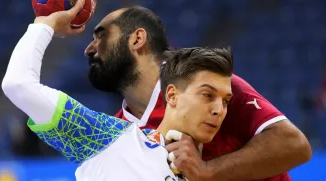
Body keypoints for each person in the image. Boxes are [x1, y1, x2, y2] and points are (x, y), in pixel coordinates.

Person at [2, 1, 234, 180]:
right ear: (172, 95)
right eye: (207, 95)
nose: (218, 110)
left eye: (226, 101)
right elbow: (18, 85)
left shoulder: (195, 173)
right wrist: (45, 25)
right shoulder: (109, 137)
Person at [84, 5, 312, 181]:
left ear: (137, 39)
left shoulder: (210, 88)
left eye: (100, 36)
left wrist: (207, 171)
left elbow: (295, 145)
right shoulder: (117, 134)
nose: (89, 48)